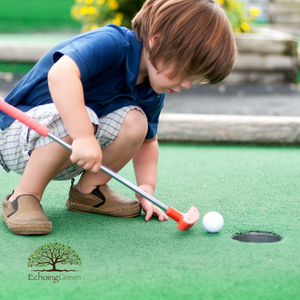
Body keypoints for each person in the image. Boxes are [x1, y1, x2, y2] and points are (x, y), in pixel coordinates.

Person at [0, 0, 236, 235]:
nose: (186, 84)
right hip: (17, 134)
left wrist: (146, 189)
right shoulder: (111, 43)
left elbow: (148, 141)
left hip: (73, 151)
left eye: (193, 79)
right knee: (85, 116)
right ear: (156, 43)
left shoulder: (152, 91)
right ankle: (23, 196)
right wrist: (83, 135)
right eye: (185, 73)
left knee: (137, 122)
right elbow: (61, 75)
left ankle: (89, 192)